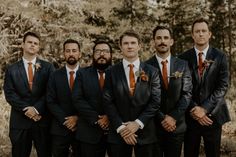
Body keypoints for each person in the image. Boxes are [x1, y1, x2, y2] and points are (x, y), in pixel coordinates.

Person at [103, 30, 161, 157]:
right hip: (118, 133)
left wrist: (137, 123)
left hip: (145, 132)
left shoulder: (152, 72)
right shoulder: (111, 72)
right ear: (120, 47)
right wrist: (121, 128)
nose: (129, 46)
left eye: (133, 43)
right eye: (126, 43)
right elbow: (108, 101)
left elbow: (155, 101)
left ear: (139, 46)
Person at [179, 18, 230, 157]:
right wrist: (195, 110)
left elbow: (223, 85)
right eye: (197, 31)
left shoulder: (220, 56)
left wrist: (205, 109)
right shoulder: (182, 58)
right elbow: (182, 88)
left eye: (203, 31)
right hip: (190, 117)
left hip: (213, 115)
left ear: (209, 34)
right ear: (192, 35)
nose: (200, 34)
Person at [3, 31, 54, 157]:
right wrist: (27, 110)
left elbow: (51, 92)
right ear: (23, 44)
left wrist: (36, 109)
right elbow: (9, 93)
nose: (32, 45)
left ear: (38, 47)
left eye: (35, 43)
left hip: (42, 120)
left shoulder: (48, 67)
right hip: (20, 122)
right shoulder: (12, 69)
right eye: (29, 42)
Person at [146, 26, 192, 157]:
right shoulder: (145, 66)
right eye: (158, 38)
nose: (162, 41)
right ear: (153, 42)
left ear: (171, 41)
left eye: (166, 38)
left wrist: (173, 117)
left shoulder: (182, 65)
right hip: (154, 126)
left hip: (176, 126)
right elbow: (145, 96)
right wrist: (162, 118)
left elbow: (187, 94)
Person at [72, 40, 112, 157]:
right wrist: (97, 118)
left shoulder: (118, 73)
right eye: (98, 51)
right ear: (93, 54)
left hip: (115, 131)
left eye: (105, 51)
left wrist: (109, 116)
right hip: (89, 132)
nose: (101, 54)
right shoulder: (82, 74)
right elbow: (77, 99)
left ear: (111, 54)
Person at [47, 39, 81, 157]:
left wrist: (77, 118)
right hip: (59, 129)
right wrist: (66, 121)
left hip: (82, 128)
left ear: (79, 53)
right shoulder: (54, 75)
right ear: (63, 54)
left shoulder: (87, 74)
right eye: (68, 51)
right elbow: (50, 101)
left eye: (74, 50)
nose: (71, 53)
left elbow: (92, 100)